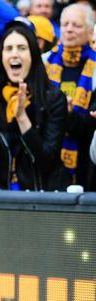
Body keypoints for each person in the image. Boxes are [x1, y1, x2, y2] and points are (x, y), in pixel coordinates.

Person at [0, 23, 69, 191]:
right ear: (2, 56)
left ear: (33, 55)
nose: (14, 54)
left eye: (21, 48)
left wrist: (22, 118)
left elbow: (47, 160)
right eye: (9, 48)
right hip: (5, 198)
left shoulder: (53, 98)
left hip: (43, 195)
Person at [44, 3, 96, 188]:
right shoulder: (45, 62)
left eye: (76, 25)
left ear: (90, 32)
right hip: (49, 158)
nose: (69, 30)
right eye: (65, 24)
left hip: (86, 161)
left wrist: (70, 113)